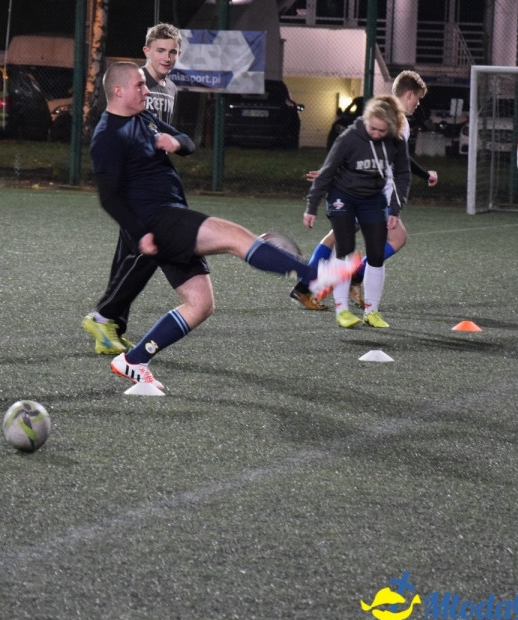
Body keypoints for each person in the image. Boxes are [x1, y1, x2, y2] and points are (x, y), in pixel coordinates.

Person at [90, 61, 357, 389]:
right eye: (139, 86)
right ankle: (313, 276)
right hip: (158, 219)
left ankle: (134, 359)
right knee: (234, 237)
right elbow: (109, 198)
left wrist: (174, 143)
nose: (147, 90)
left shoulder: (142, 118)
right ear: (117, 91)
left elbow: (187, 142)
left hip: (170, 216)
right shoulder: (107, 135)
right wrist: (139, 232)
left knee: (201, 305)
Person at [292, 71, 436, 311]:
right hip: (371, 193)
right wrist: (426, 174)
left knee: (337, 237)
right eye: (417, 99)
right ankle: (347, 279)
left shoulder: (386, 116)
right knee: (396, 238)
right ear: (409, 94)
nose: (417, 104)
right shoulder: (396, 121)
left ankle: (306, 286)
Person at [81, 23, 183, 355]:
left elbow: (175, 136)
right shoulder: (131, 85)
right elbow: (117, 122)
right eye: (161, 50)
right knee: (146, 249)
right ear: (146, 53)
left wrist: (174, 143)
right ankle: (105, 317)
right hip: (138, 193)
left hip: (153, 189)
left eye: (173, 52)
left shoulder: (167, 90)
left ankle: (110, 325)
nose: (167, 57)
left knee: (131, 256)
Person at [291, 95, 410, 328]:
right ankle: (342, 311)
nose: (375, 133)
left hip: (373, 198)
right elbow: (327, 171)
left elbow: (402, 175)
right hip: (342, 196)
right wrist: (312, 206)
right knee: (344, 248)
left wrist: (395, 209)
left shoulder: (396, 141)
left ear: (392, 127)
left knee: (376, 255)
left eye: (381, 130)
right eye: (372, 128)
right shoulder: (349, 138)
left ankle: (372, 313)